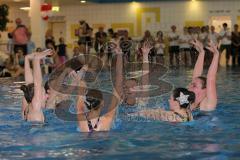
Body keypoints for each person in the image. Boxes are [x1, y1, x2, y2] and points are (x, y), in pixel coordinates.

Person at [20, 50, 53, 122]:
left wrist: (27, 58)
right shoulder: (36, 107)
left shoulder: (26, 106)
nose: (47, 96)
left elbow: (29, 83)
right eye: (44, 93)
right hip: (38, 131)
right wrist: (36, 59)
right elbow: (37, 82)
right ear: (36, 97)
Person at [188, 39, 219, 111]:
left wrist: (216, 55)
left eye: (194, 85)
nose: (189, 86)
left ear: (205, 90)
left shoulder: (208, 104)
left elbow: (211, 78)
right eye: (191, 84)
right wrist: (201, 52)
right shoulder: (190, 101)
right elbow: (196, 75)